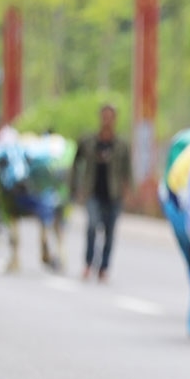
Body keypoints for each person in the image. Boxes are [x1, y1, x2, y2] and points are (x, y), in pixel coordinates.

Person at [70, 104, 132, 282]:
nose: (106, 120)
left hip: (113, 194)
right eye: (104, 116)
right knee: (91, 226)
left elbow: (127, 170)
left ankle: (104, 267)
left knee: (110, 232)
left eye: (110, 117)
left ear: (115, 119)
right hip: (93, 193)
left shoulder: (121, 145)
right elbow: (76, 163)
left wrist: (128, 191)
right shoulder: (89, 141)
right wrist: (75, 187)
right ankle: (88, 263)